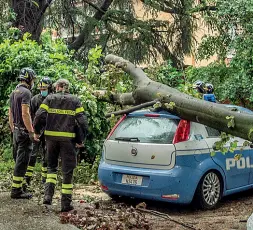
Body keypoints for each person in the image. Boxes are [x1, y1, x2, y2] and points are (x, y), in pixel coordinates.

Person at [33, 79, 88, 212]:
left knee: (51, 167)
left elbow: (39, 115)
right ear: (67, 88)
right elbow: (82, 122)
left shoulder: (50, 99)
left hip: (50, 139)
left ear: (57, 87)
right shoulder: (75, 101)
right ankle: (65, 204)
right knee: (67, 170)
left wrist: (36, 131)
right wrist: (82, 138)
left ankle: (47, 197)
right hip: (68, 141)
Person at [8, 67, 36, 199]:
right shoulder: (26, 93)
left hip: (16, 131)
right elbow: (25, 113)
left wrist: (13, 129)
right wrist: (31, 131)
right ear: (29, 78)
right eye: (33, 79)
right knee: (22, 161)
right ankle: (16, 190)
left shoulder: (14, 92)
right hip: (24, 132)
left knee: (17, 159)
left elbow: (10, 113)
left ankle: (17, 187)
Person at [24, 77, 52, 187]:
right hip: (36, 130)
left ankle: (44, 179)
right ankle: (27, 178)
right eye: (41, 88)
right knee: (33, 154)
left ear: (49, 87)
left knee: (47, 155)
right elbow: (30, 115)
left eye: (44, 88)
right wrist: (32, 130)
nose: (42, 90)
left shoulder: (52, 99)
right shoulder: (35, 99)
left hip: (49, 131)